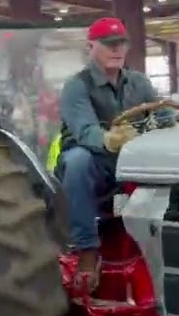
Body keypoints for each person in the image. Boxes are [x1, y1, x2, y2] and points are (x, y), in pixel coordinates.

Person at [56, 17, 165, 294]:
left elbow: (163, 114)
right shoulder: (76, 86)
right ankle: (87, 251)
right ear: (91, 46)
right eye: (108, 44)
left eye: (121, 43)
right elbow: (84, 131)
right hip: (97, 163)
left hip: (134, 160)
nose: (116, 49)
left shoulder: (139, 83)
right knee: (76, 161)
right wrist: (109, 139)